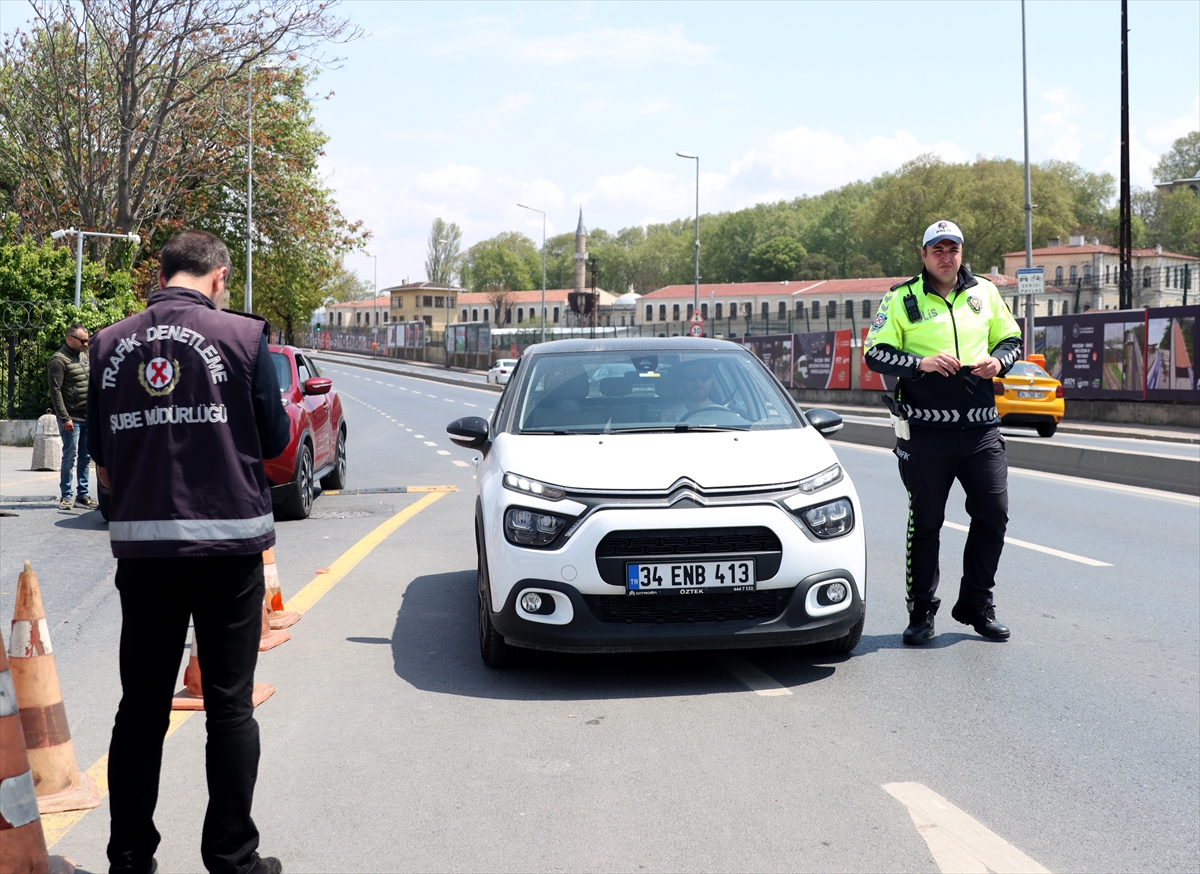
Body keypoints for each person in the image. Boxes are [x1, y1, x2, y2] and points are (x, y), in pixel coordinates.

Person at [87, 230, 289, 874]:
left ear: (163, 273)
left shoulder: (109, 343)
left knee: (140, 706)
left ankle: (128, 859)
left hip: (143, 552)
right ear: (219, 278)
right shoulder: (244, 338)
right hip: (228, 547)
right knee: (228, 707)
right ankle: (232, 858)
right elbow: (277, 436)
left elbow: (100, 449)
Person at [864, 220, 1023, 646]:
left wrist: (999, 362)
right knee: (927, 523)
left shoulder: (985, 292)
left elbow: (1011, 339)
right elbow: (874, 353)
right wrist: (921, 363)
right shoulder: (900, 297)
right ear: (924, 255)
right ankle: (921, 613)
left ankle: (975, 603)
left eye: (953, 249)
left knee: (994, 513)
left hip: (982, 430)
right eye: (938, 249)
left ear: (961, 253)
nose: (946, 256)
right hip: (925, 434)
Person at [48, 323, 96, 510]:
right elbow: (56, 391)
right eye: (82, 340)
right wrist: (64, 417)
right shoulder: (58, 360)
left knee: (85, 457)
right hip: (72, 418)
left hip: (88, 415)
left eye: (87, 340)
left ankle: (82, 495)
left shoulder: (84, 356)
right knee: (70, 456)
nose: (85, 343)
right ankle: (66, 496)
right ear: (70, 339)